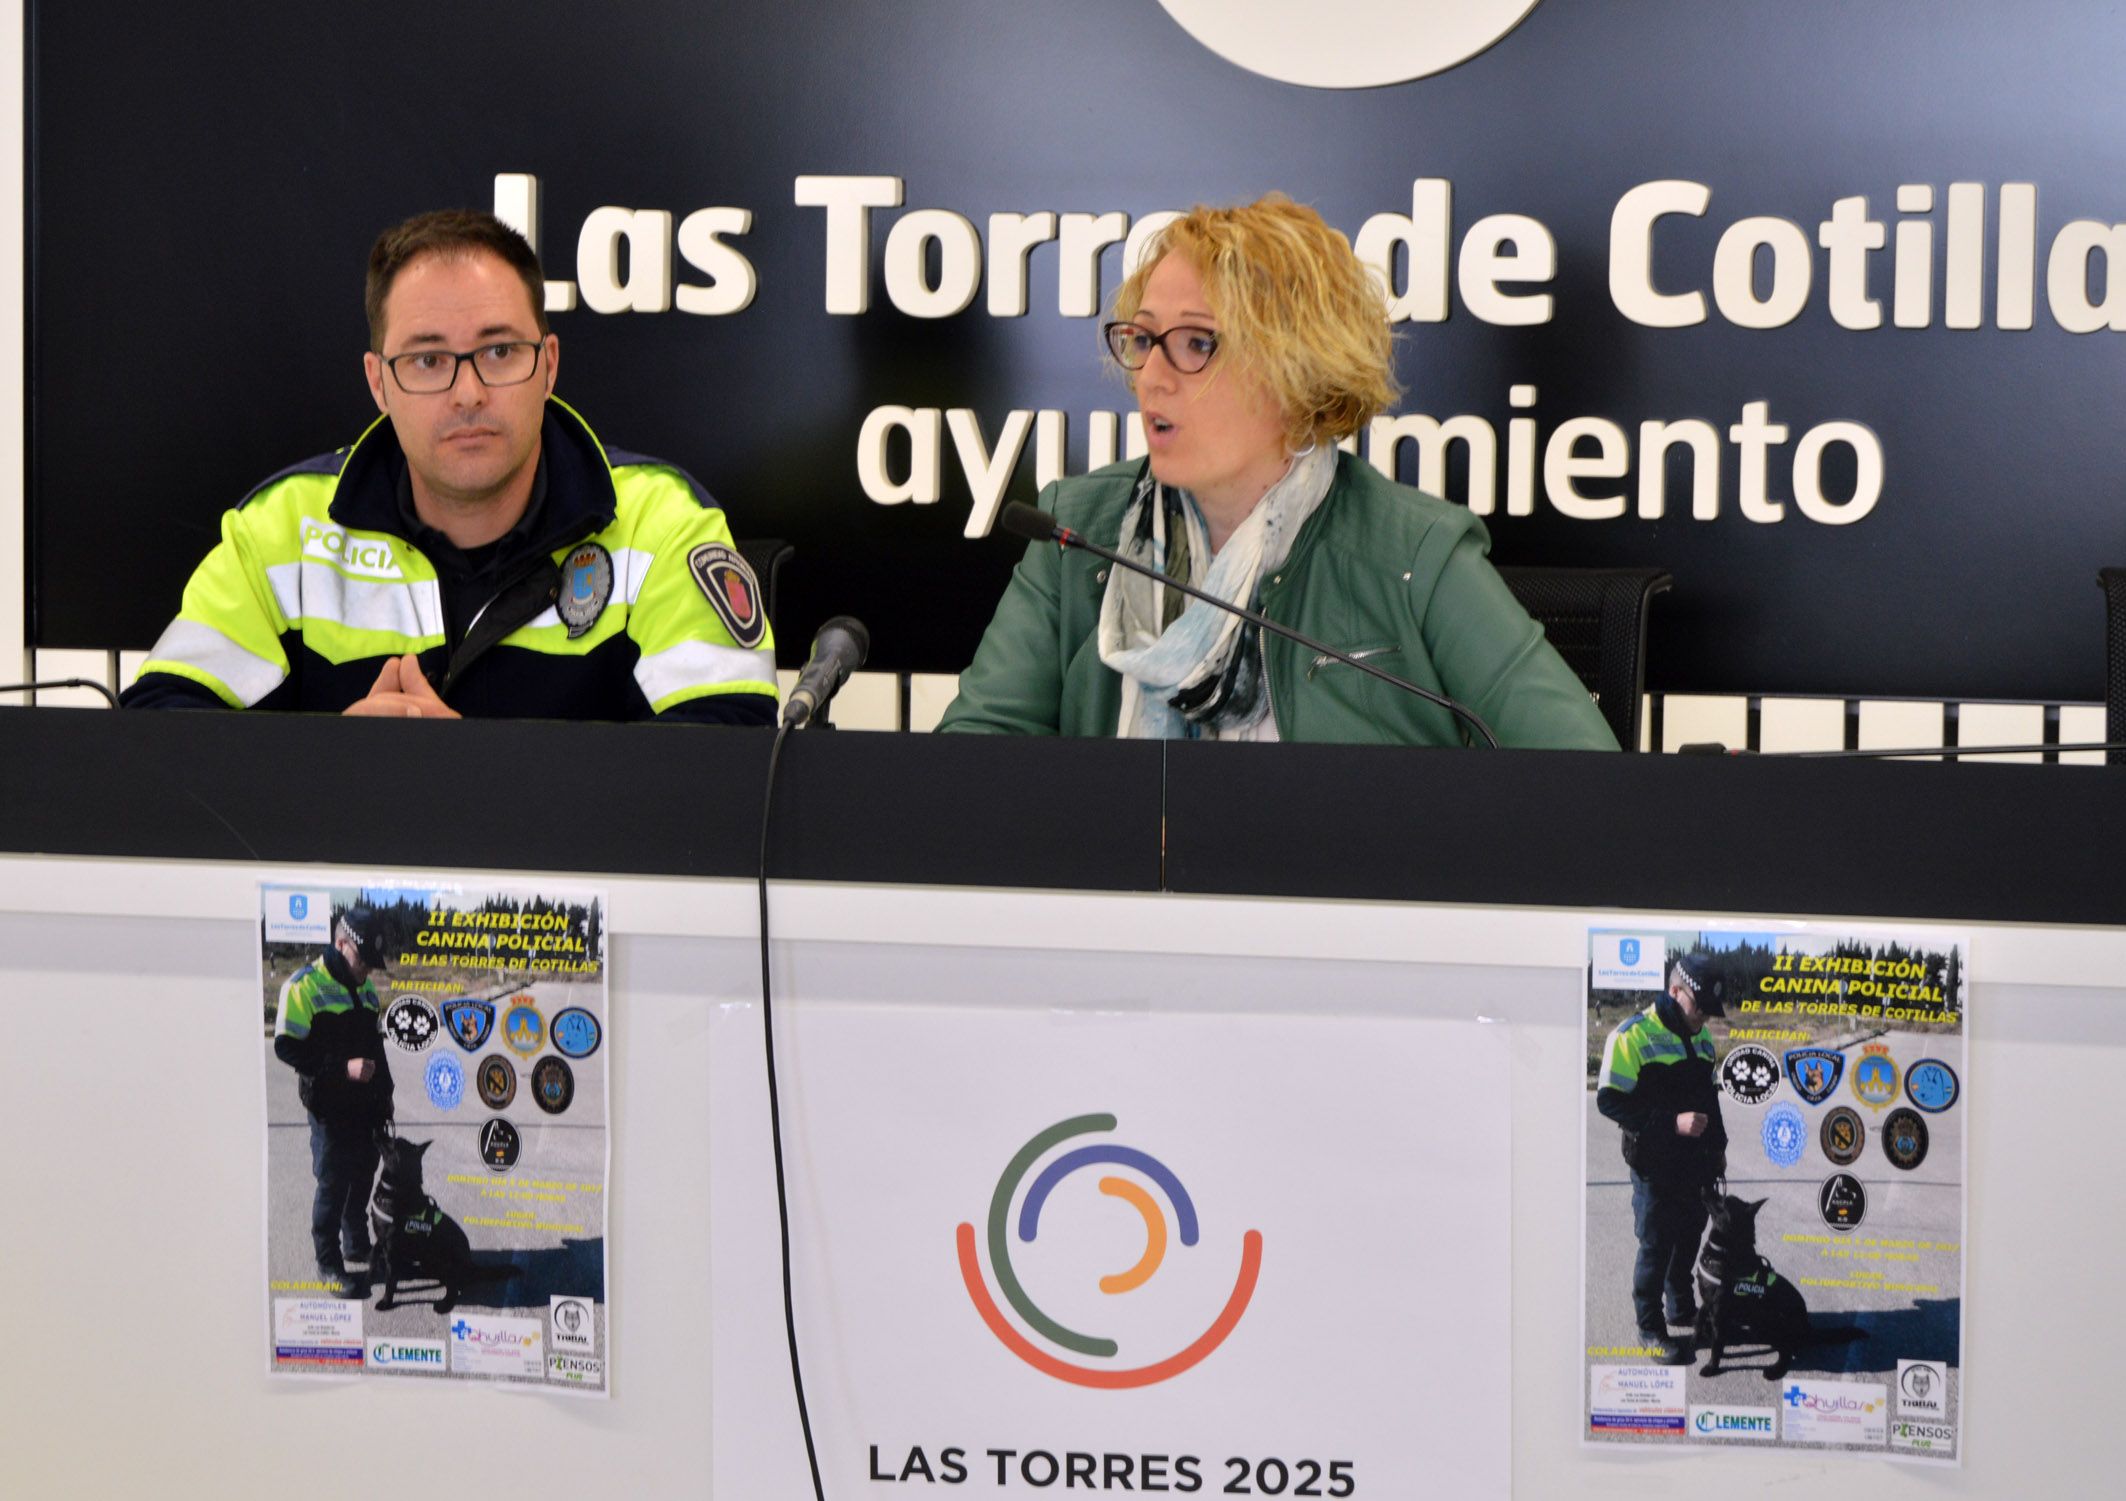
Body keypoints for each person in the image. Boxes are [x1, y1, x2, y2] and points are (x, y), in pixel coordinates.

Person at [937, 194, 1615, 747]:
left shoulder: (1415, 555)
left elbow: (1584, 781)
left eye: (1197, 343)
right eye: (1143, 339)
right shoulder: (1076, 534)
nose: (1152, 376)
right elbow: (968, 772)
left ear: (1296, 373)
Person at [123, 210, 777, 721]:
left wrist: (463, 773)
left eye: (498, 352)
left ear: (548, 365)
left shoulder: (662, 527)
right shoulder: (282, 531)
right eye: (428, 360)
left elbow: (726, 767)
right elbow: (162, 741)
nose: (468, 393)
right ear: (379, 384)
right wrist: (333, 766)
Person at [1595, 951, 1729, 1364]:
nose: (1704, 1018)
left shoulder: (1702, 1037)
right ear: (1675, 991)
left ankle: (1679, 1306)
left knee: (1689, 1235)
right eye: (1699, 1007)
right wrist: (1672, 1123)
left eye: (1709, 1012)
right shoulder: (1632, 1036)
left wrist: (1718, 1150)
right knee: (1655, 1245)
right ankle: (1651, 1327)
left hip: (1694, 1164)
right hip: (1654, 1165)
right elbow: (1609, 1102)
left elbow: (1709, 1099)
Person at [274, 907, 396, 1299]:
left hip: (364, 1105)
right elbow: (287, 1048)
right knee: (333, 1182)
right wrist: (343, 1068)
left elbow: (376, 1050)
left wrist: (386, 1098)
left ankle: (355, 1243)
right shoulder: (303, 986)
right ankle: (328, 1263)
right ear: (341, 944)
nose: (367, 971)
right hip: (328, 1106)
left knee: (363, 1172)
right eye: (363, 961)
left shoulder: (366, 990)